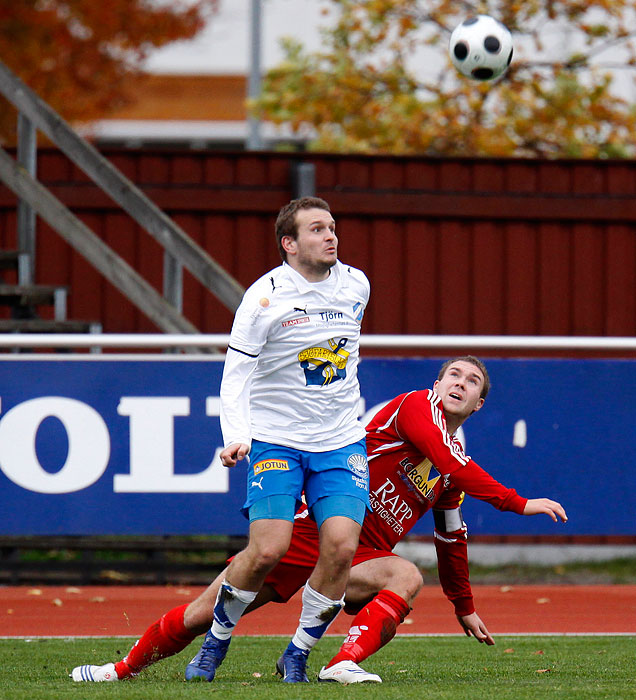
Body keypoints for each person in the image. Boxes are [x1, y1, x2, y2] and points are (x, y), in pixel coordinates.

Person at [71, 356, 567, 685]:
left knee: (406, 574)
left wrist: (464, 606)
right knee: (204, 614)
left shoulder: (455, 459)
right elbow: (445, 456)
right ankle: (119, 670)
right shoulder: (417, 409)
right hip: (307, 533)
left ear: (479, 404)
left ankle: (341, 663)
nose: (459, 383)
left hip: (355, 556)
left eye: (472, 381)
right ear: (436, 384)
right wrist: (517, 503)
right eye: (453, 375)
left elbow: (450, 536)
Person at [71, 196, 371, 685]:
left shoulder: (356, 284)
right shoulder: (264, 298)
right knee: (269, 549)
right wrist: (236, 437)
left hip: (339, 440)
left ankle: (297, 654)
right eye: (317, 229)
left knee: (340, 549)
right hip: (275, 440)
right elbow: (236, 375)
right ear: (289, 244)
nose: (330, 236)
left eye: (332, 226)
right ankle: (216, 642)